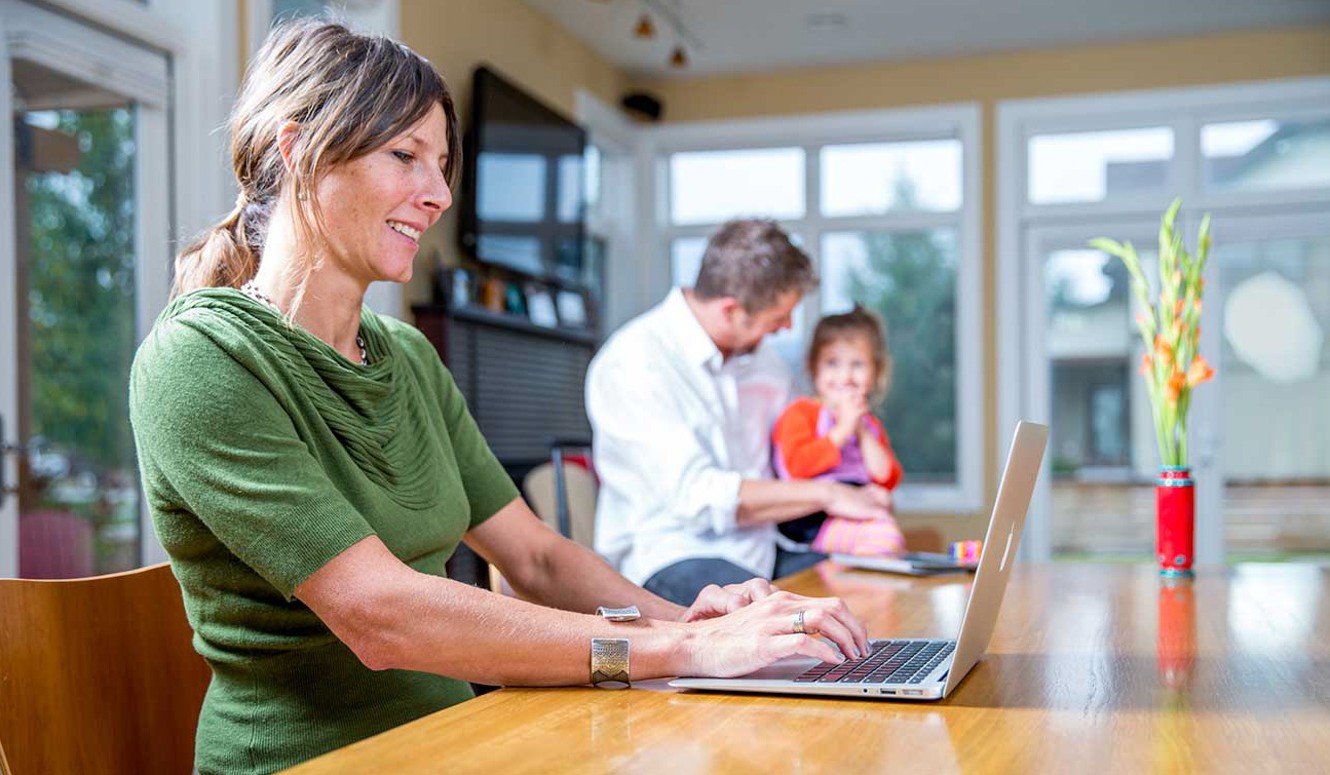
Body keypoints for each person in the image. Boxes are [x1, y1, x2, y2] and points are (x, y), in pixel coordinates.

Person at [129, 20, 868, 775]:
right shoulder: (201, 358)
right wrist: (679, 648)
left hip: (464, 741)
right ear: (297, 151)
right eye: (405, 156)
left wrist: (689, 618)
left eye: (443, 165)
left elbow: (539, 557)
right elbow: (379, 614)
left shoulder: (410, 357)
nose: (439, 194)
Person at [586, 220, 895, 608]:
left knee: (877, 589)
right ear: (732, 310)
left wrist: (860, 482)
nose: (787, 328)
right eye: (778, 317)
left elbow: (801, 454)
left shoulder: (765, 363)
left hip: (766, 551)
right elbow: (699, 499)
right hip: (672, 555)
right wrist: (829, 495)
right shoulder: (635, 364)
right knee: (779, 617)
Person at [772, 307, 906, 556]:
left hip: (855, 510)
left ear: (875, 372)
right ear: (814, 368)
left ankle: (855, 584)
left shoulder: (869, 425)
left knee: (885, 536)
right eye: (832, 363)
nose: (845, 376)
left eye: (857, 364)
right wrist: (843, 429)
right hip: (811, 518)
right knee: (885, 537)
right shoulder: (801, 413)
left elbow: (886, 477)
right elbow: (797, 467)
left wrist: (862, 430)